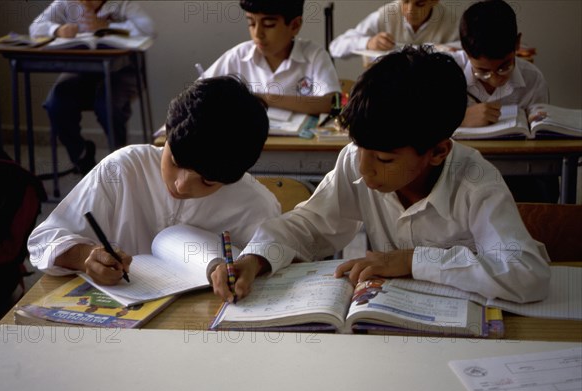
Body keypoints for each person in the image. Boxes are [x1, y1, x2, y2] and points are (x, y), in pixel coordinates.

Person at [210, 46, 550, 305]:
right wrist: (255, 258)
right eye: (360, 148)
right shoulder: (357, 160)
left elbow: (527, 275)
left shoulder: (476, 180)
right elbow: (311, 226)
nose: (364, 169)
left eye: (385, 159)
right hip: (387, 321)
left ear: (438, 152)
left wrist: (415, 261)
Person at [27, 76, 281, 286]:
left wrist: (252, 267)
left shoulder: (255, 206)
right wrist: (85, 256)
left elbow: (277, 263)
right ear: (167, 134)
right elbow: (42, 240)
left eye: (206, 181)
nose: (181, 185)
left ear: (231, 178)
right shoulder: (124, 169)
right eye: (175, 162)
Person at [29, 0, 155, 174]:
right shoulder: (66, 3)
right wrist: (57, 30)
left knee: (107, 104)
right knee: (56, 102)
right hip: (83, 71)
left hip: (124, 71)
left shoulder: (120, 3)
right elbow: (35, 27)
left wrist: (107, 26)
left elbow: (149, 28)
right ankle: (81, 156)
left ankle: (121, 162)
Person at [453, 0, 554, 202]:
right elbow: (419, 126)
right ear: (465, 50)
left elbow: (542, 139)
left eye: (504, 67)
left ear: (517, 43)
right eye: (482, 71)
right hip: (459, 172)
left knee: (542, 191)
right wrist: (459, 119)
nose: (496, 78)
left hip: (518, 174)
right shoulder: (447, 73)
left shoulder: (532, 79)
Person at [201, 0, 341, 115]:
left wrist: (264, 98)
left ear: (295, 25)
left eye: (269, 25)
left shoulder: (314, 55)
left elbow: (334, 103)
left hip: (300, 146)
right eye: (251, 23)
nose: (257, 33)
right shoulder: (238, 56)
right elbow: (199, 94)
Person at [329, 0, 459, 59]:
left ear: (434, 1)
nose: (410, 10)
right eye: (405, 1)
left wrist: (445, 49)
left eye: (419, 4)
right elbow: (335, 47)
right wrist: (368, 42)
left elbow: (466, 50)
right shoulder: (386, 14)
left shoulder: (450, 20)